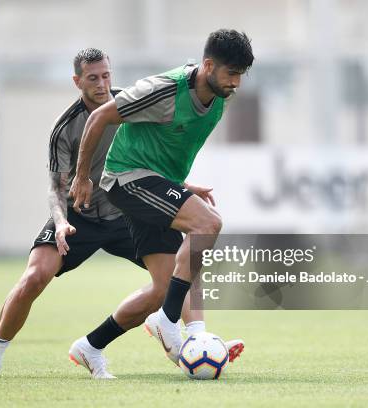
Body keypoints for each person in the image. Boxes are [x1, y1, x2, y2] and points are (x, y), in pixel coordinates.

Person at [0, 48, 242, 380]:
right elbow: (56, 187)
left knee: (179, 272)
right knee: (34, 278)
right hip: (78, 217)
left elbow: (149, 155)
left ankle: (191, 343)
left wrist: (183, 186)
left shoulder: (130, 103)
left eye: (106, 75)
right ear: (77, 81)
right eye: (93, 78)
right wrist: (60, 222)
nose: (102, 84)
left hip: (126, 212)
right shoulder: (65, 127)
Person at [70, 29, 254, 365]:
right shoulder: (163, 89)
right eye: (232, 74)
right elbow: (98, 117)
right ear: (209, 65)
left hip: (154, 181)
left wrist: (180, 187)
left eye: (241, 75)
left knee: (162, 287)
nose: (236, 83)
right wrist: (82, 177)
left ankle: (90, 346)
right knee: (207, 225)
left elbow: (167, 145)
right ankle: (176, 326)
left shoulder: (218, 97)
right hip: (126, 178)